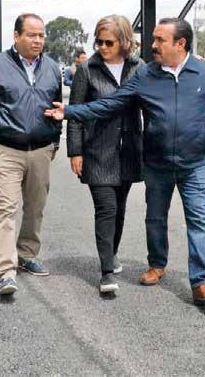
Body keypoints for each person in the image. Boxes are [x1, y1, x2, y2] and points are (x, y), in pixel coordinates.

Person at [45, 18, 205, 306]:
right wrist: (71, 112)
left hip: (196, 163)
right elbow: (112, 103)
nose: (153, 45)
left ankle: (201, 282)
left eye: (160, 40)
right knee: (155, 218)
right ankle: (157, 264)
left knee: (199, 219)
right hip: (157, 162)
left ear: (180, 44)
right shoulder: (146, 74)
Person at [0, 13, 62, 297]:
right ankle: (6, 271)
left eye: (41, 35)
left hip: (41, 150)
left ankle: (27, 254)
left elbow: (57, 107)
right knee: (5, 209)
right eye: (31, 35)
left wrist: (55, 142)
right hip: (6, 150)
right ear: (16, 36)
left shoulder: (52, 68)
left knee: (35, 207)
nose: (38, 40)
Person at [67, 15, 143, 294]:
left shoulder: (138, 67)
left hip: (129, 150)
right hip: (97, 151)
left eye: (109, 42)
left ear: (124, 41)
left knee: (120, 209)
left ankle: (112, 253)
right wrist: (75, 151)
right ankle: (106, 272)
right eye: (98, 41)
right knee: (106, 208)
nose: (102, 47)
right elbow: (75, 113)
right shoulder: (87, 69)